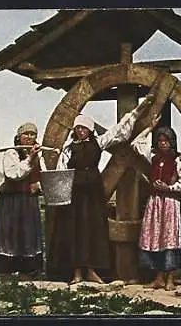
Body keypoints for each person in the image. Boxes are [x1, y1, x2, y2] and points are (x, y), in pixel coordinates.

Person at [50, 98, 152, 285]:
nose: (81, 131)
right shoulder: (68, 149)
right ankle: (77, 273)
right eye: (78, 128)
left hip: (93, 194)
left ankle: (91, 271)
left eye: (84, 128)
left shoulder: (98, 142)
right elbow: (60, 170)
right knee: (75, 231)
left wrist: (137, 112)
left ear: (89, 130)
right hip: (75, 194)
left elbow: (119, 130)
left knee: (93, 230)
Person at [130, 119, 181, 290]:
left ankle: (170, 279)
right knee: (156, 239)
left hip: (171, 204)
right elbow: (135, 143)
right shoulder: (153, 157)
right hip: (155, 205)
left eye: (166, 141)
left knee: (170, 240)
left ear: (172, 142)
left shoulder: (180, 161)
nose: (163, 144)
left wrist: (169, 187)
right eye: (160, 141)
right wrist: (150, 127)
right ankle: (158, 278)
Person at [0, 122, 44, 279]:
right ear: (18, 137)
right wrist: (30, 158)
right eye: (26, 134)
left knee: (28, 234)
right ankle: (5, 272)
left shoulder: (37, 154)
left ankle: (27, 271)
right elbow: (14, 174)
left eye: (32, 134)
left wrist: (38, 185)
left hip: (28, 201)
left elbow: (41, 173)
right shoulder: (11, 153)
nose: (29, 137)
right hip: (12, 201)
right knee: (9, 234)